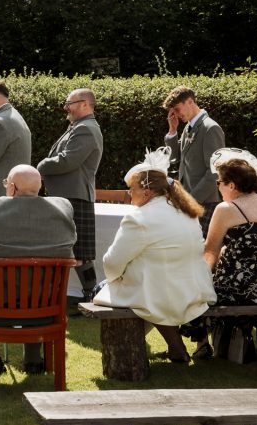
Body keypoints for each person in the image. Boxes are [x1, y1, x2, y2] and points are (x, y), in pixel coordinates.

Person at [93, 148, 217, 364]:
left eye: (131, 189)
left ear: (147, 192)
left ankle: (172, 349)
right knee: (149, 279)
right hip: (194, 289)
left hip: (162, 293)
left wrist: (114, 278)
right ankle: (174, 348)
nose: (129, 194)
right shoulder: (187, 212)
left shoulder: (138, 218)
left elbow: (112, 262)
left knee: (105, 286)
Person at [0, 164, 76, 374]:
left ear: (11, 188)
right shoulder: (62, 213)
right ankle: (32, 359)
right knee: (36, 286)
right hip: (45, 311)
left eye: (6, 183)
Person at [183, 151, 257, 362]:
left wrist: (200, 280)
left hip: (244, 290)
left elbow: (210, 252)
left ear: (232, 185)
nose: (217, 187)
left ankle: (202, 345)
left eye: (219, 182)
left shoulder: (226, 208)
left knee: (197, 288)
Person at [37, 88, 103, 300]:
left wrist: (40, 165)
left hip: (73, 197)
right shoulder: (78, 126)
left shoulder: (85, 129)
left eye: (69, 103)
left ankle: (90, 297)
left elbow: (68, 161)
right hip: (69, 196)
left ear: (85, 104)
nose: (66, 107)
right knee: (75, 252)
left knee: (80, 254)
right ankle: (86, 296)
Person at [163, 85, 225, 236]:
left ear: (190, 101)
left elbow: (214, 172)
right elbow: (176, 158)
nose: (176, 115)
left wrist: (191, 200)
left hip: (205, 201)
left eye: (177, 109)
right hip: (191, 199)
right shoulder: (188, 127)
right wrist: (172, 131)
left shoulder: (210, 128)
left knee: (202, 251)